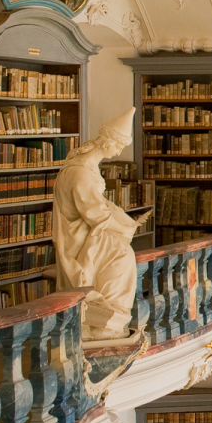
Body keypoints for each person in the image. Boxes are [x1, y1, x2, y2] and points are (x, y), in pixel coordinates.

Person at [53, 109, 151, 340]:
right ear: (108, 142)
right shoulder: (80, 173)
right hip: (81, 237)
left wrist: (122, 219)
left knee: (122, 254)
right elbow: (96, 214)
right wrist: (127, 226)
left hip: (88, 231)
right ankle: (104, 323)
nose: (118, 151)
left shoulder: (86, 166)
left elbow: (100, 206)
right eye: (118, 146)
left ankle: (107, 320)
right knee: (121, 255)